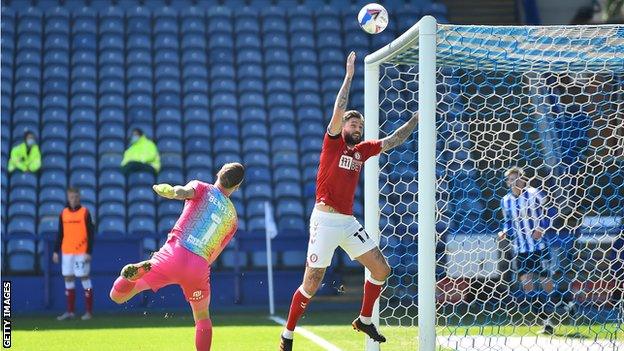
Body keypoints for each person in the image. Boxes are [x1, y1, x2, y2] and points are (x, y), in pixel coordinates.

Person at [279, 52, 419, 351]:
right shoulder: (332, 143)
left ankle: (365, 319)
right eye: (351, 125)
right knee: (312, 282)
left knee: (382, 270)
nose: (356, 128)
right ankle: (288, 334)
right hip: (325, 218)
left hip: (347, 221)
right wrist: (349, 76)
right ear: (342, 128)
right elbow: (339, 106)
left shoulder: (363, 150)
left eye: (359, 126)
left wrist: (418, 119)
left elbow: (393, 139)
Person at [109, 163, 245, 351]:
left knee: (118, 297)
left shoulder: (203, 188)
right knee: (202, 317)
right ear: (237, 186)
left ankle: (129, 277)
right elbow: (216, 251)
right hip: (199, 264)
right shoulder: (233, 219)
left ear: (218, 173)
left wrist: (172, 192)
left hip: (174, 253)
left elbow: (183, 192)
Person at [498, 166, 574, 334]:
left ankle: (566, 302)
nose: (513, 182)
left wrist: (541, 227)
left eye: (516, 178)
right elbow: (508, 222)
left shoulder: (534, 194)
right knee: (527, 285)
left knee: (545, 281)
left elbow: (549, 213)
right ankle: (546, 323)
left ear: (523, 179)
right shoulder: (506, 200)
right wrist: (504, 231)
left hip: (538, 246)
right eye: (510, 179)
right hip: (520, 248)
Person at [53, 187, 95, 321]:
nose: (74, 199)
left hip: (81, 252)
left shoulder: (85, 212)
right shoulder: (63, 213)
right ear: (68, 198)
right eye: (71, 197)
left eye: (76, 197)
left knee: (84, 278)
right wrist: (55, 251)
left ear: (79, 197)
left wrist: (89, 251)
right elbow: (60, 234)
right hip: (67, 252)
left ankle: (88, 312)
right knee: (68, 279)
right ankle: (70, 312)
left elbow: (91, 234)